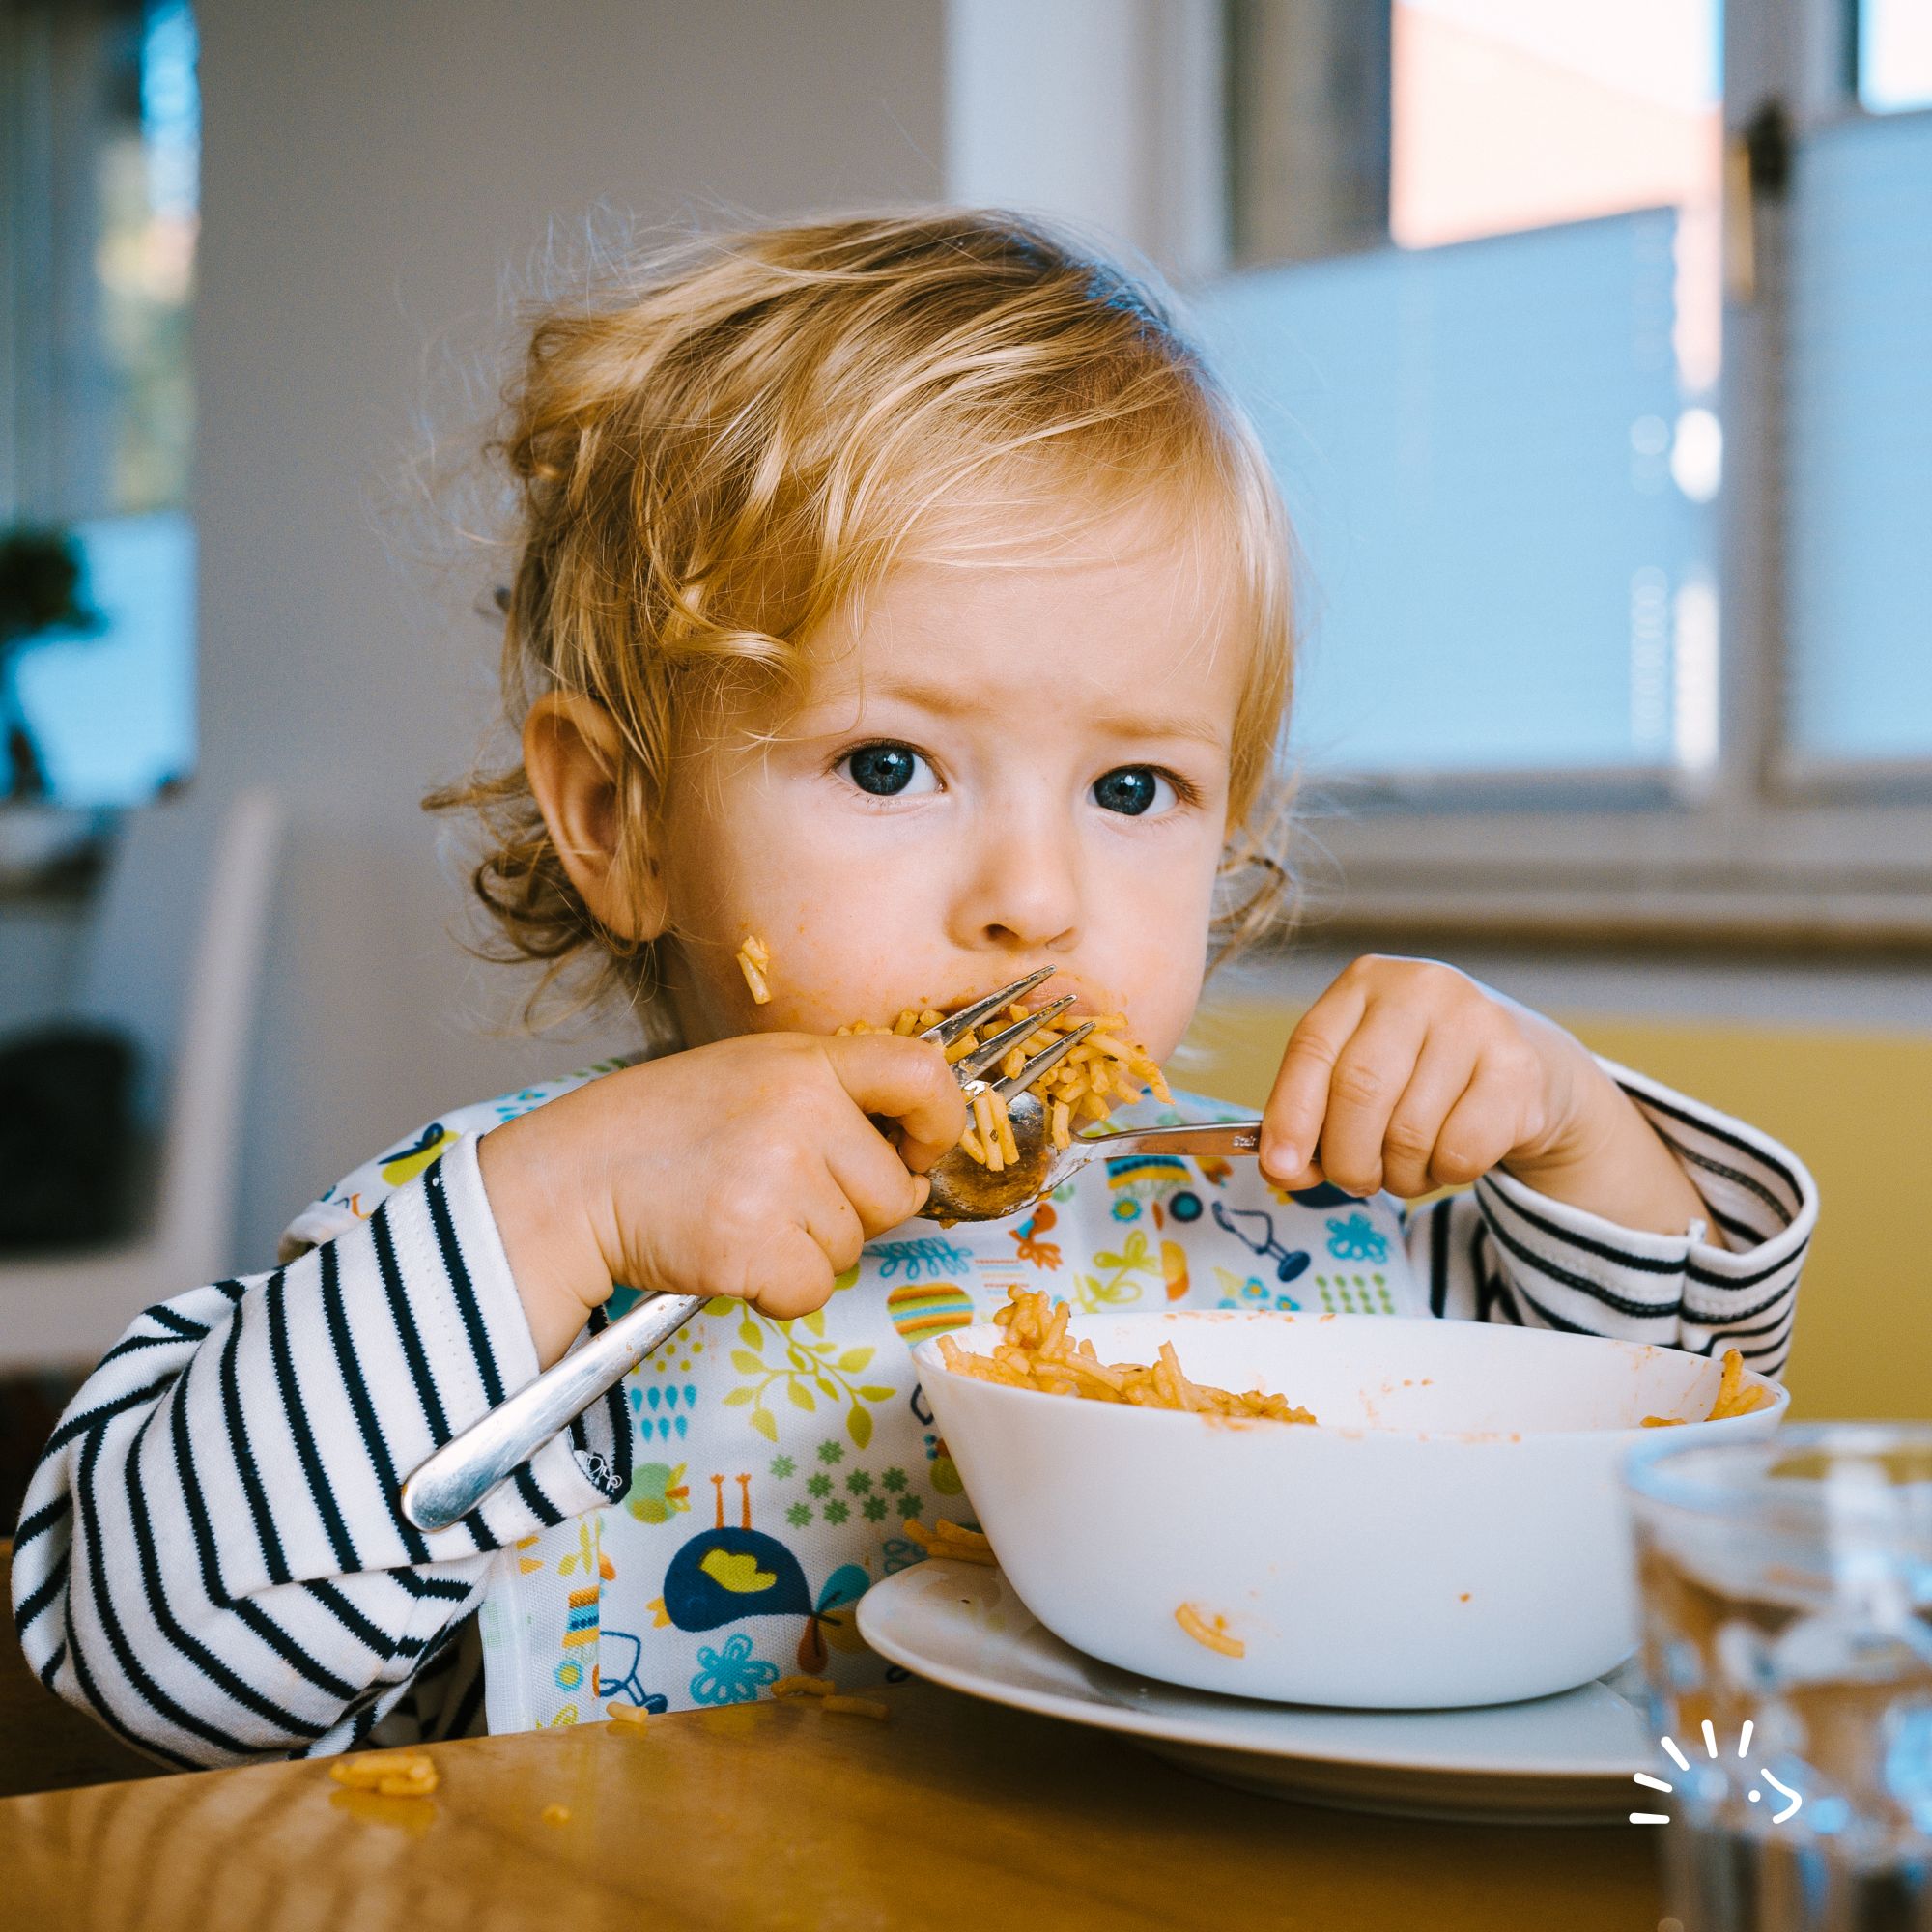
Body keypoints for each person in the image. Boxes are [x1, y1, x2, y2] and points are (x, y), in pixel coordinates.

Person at [10, 212, 1814, 1764]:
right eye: (889, 766)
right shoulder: (511, 1259)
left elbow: (1665, 1478)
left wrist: (1575, 1135)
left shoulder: (1301, 1225)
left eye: (1133, 791)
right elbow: (155, 1659)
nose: (1035, 900)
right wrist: (552, 1207)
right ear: (620, 818)